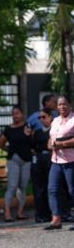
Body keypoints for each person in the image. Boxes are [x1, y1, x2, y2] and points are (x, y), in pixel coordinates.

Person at [0, 105, 34, 222]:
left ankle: (20, 212)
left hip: (26, 161)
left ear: (22, 114)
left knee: (23, 187)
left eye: (17, 113)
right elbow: (1, 144)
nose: (15, 115)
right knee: (12, 186)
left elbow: (33, 144)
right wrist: (10, 151)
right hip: (13, 160)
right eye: (13, 113)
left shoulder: (28, 126)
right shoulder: (8, 129)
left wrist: (29, 134)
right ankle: (7, 213)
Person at [45, 96, 74, 231]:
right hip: (56, 160)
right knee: (52, 189)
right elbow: (51, 138)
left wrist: (61, 144)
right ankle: (56, 219)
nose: (62, 107)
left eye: (64, 104)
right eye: (59, 105)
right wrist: (50, 145)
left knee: (72, 190)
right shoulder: (55, 121)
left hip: (70, 160)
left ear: (70, 105)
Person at [31, 108, 53, 223]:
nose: (41, 120)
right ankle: (41, 214)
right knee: (39, 188)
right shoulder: (37, 132)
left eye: (44, 117)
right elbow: (32, 146)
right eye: (40, 118)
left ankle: (53, 213)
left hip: (51, 160)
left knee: (52, 187)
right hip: (39, 161)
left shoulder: (55, 130)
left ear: (50, 117)